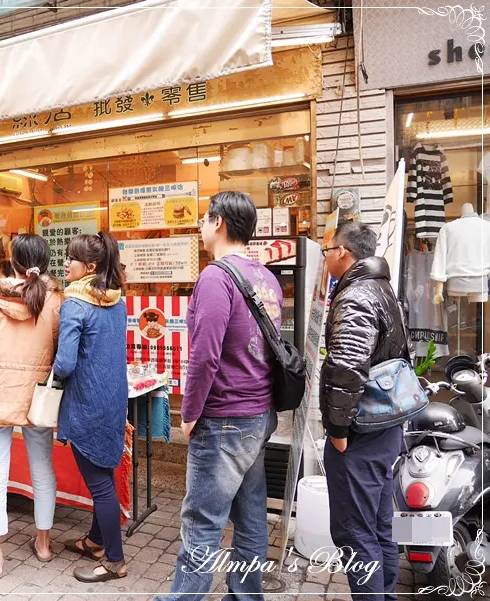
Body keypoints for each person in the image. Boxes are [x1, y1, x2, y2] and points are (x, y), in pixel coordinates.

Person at [161, 192, 281, 601]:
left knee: (202, 521)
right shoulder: (265, 277)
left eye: (204, 218)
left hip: (225, 417)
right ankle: (246, 595)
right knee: (250, 517)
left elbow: (205, 356)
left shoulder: (216, 277)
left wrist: (190, 412)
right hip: (257, 414)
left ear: (220, 223)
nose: (199, 224)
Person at [0, 234, 62, 579]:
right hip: (38, 401)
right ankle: (44, 543)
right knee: (42, 469)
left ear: (11, 259)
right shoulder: (56, 302)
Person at [320, 221, 407, 600]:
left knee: (355, 534)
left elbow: (347, 368)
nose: (324, 259)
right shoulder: (383, 287)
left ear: (342, 252)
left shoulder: (356, 296)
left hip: (361, 433)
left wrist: (338, 431)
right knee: (376, 527)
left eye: (326, 251)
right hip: (384, 428)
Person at [54, 231, 128, 583]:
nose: (65, 263)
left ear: (91, 267)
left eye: (72, 258)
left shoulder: (74, 305)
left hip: (86, 402)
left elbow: (65, 364)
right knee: (106, 475)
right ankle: (97, 541)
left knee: (100, 485)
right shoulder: (118, 301)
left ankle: (114, 559)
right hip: (113, 399)